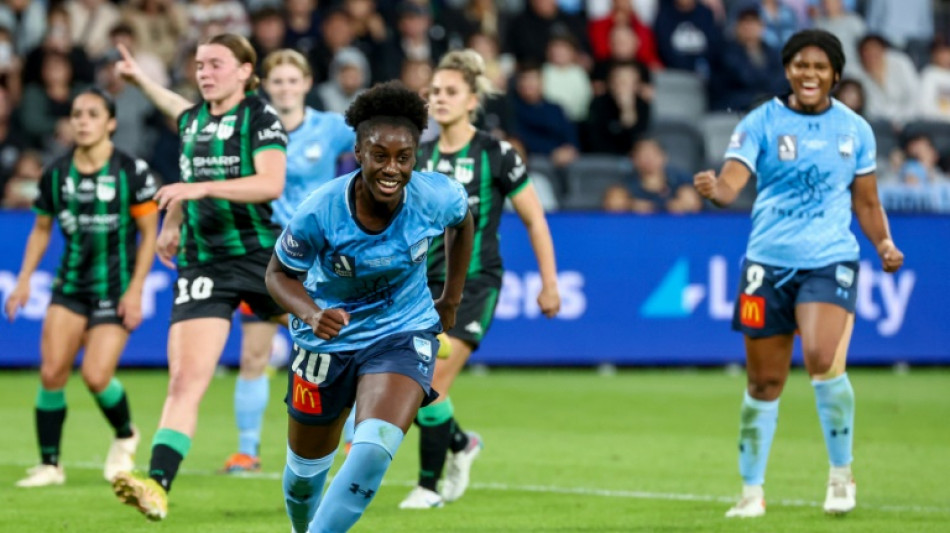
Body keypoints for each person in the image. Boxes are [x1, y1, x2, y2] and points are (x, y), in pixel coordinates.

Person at [693, 29, 904, 518]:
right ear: (788, 70)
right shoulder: (761, 122)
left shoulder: (855, 130)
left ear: (834, 74)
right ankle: (751, 493)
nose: (809, 74)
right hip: (765, 265)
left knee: (819, 355)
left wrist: (885, 243)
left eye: (820, 67)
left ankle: (839, 475)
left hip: (830, 258)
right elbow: (730, 184)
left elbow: (867, 202)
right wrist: (714, 189)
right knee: (763, 384)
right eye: (800, 66)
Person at [267, 80, 474, 533]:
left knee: (371, 452)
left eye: (404, 157)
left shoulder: (435, 195)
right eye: (379, 155)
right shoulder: (320, 211)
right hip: (325, 343)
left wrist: (451, 298)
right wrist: (311, 314)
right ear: (358, 152)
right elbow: (278, 275)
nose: (392, 169)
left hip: (402, 333)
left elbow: (464, 222)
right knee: (303, 481)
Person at [109, 33, 288, 520]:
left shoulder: (259, 117)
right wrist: (173, 221)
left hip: (261, 256)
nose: (204, 71)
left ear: (245, 72)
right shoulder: (191, 122)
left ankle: (400, 333)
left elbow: (271, 182)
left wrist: (199, 188)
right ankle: (157, 484)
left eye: (215, 64)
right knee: (185, 379)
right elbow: (174, 105)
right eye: (199, 64)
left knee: (340, 337)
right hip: (204, 262)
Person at [400, 49, 561, 509]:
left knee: (429, 382)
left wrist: (549, 282)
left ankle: (428, 488)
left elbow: (534, 219)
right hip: (422, 287)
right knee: (414, 386)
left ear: (473, 99)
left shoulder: (496, 152)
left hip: (474, 284)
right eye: (434, 92)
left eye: (451, 92)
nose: (440, 99)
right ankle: (461, 444)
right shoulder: (420, 155)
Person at [5, 88, 159, 487]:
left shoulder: (130, 171)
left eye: (92, 114)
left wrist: (136, 289)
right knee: (53, 372)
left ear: (110, 123)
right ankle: (50, 465)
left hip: (115, 286)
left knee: (95, 375)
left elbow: (148, 232)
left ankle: (126, 434)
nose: (82, 121)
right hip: (69, 286)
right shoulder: (56, 173)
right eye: (76, 114)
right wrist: (23, 281)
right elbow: (41, 229)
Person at [220, 48, 356, 474]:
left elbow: (375, 143)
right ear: (266, 86)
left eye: (292, 81)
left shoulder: (330, 127)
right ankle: (248, 450)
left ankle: (352, 440)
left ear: (306, 83)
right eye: (277, 81)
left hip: (319, 255)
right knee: (254, 354)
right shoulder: (252, 129)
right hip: (267, 256)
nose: (285, 88)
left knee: (332, 345)